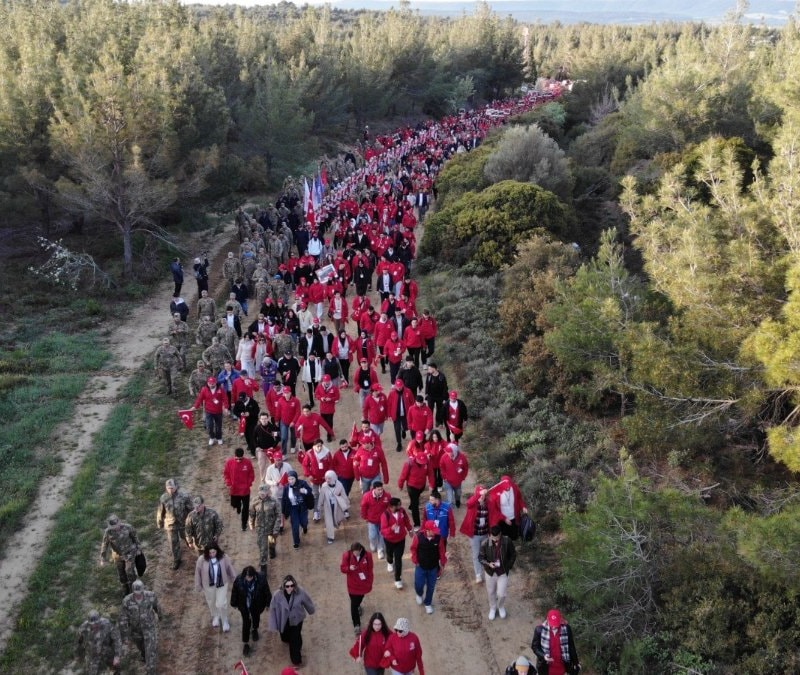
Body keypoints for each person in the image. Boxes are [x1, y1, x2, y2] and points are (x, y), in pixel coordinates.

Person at [268, 574, 316, 667]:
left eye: (292, 585)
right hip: (283, 620)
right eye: (287, 586)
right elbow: (273, 609)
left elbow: (307, 601)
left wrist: (311, 610)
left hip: (297, 619)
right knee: (285, 634)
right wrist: (273, 624)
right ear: (283, 586)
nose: (290, 588)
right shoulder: (277, 595)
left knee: (295, 639)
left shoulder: (300, 592)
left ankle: (296, 661)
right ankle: (287, 639)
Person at [119, 580, 162, 675]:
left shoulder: (151, 596)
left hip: (149, 628)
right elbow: (123, 619)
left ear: (143, 590)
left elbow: (157, 606)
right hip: (135, 631)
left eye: (140, 592)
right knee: (141, 647)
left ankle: (151, 671)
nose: (138, 595)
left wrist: (160, 615)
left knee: (150, 652)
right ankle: (144, 655)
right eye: (136, 593)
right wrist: (125, 636)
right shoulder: (127, 601)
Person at [230, 565, 272, 657]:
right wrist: (234, 603)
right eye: (247, 577)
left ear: (254, 575)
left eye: (251, 577)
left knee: (256, 618)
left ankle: (255, 629)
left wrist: (268, 603)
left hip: (257, 604)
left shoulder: (261, 579)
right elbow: (234, 592)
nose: (249, 579)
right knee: (246, 623)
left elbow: (267, 592)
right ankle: (246, 643)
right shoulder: (239, 580)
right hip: (244, 606)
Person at [194, 541, 237, 632]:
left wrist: (235, 579)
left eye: (214, 552)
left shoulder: (224, 557)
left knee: (221, 603)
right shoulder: (201, 560)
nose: (212, 554)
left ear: (217, 551)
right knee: (211, 602)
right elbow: (197, 573)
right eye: (210, 553)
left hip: (221, 584)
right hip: (208, 586)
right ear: (206, 552)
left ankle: (225, 620)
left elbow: (229, 567)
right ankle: (216, 616)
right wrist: (198, 585)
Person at [479, 525, 517, 620]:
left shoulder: (507, 541)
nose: (495, 540)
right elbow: (480, 558)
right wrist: (488, 564)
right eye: (492, 537)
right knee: (491, 592)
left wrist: (508, 566)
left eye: (496, 538)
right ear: (490, 535)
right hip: (490, 572)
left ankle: (500, 606)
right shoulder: (485, 543)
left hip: (502, 572)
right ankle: (492, 607)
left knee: (501, 593)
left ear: (500, 534)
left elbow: (513, 554)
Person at [100, 514, 142, 596]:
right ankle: (125, 589)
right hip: (117, 556)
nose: (116, 528)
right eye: (114, 526)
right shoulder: (108, 532)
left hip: (129, 553)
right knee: (121, 573)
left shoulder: (128, 527)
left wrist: (138, 549)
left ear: (120, 522)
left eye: (117, 525)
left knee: (129, 571)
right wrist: (103, 558)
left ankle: (133, 590)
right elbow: (104, 545)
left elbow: (135, 538)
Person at [410, 519, 447, 614]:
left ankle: (428, 603)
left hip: (433, 568)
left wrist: (443, 562)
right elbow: (413, 549)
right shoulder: (418, 537)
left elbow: (442, 551)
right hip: (421, 566)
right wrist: (416, 561)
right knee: (419, 584)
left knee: (431, 587)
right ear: (427, 530)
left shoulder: (439, 538)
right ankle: (419, 594)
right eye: (433, 531)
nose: (435, 533)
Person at [156, 478, 193, 570]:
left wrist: (192, 521)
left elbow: (190, 509)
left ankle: (192, 547)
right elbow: (161, 511)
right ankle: (177, 560)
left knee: (187, 537)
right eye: (168, 488)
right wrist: (159, 522)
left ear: (176, 487)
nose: (170, 490)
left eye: (172, 488)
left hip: (183, 523)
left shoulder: (184, 496)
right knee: (173, 543)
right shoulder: (164, 498)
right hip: (170, 525)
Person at [532, 609, 581, 675]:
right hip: (545, 667)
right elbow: (535, 647)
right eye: (552, 624)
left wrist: (576, 662)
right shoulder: (539, 630)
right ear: (547, 619)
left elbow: (571, 647)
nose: (554, 627)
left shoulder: (566, 629)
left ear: (560, 620)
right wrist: (543, 656)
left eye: (556, 624)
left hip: (561, 667)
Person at [340, 541, 374, 634]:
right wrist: (348, 568)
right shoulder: (347, 555)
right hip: (352, 585)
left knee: (359, 599)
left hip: (363, 584)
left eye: (356, 553)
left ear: (360, 549)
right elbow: (342, 568)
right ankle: (357, 625)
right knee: (353, 605)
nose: (355, 555)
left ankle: (358, 606)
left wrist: (370, 582)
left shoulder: (368, 556)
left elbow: (370, 569)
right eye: (353, 553)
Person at [398, 445, 435, 530]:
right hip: (412, 486)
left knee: (415, 499)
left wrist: (431, 485)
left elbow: (431, 474)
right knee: (415, 504)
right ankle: (417, 523)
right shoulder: (409, 463)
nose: (422, 463)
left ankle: (411, 506)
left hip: (421, 486)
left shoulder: (427, 462)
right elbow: (403, 475)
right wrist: (400, 485)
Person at [380, 497, 413, 589]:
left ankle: (398, 579)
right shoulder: (385, 515)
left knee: (398, 559)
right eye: (398, 505)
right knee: (390, 555)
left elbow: (406, 520)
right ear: (392, 507)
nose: (400, 506)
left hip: (401, 539)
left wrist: (410, 529)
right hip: (389, 540)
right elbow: (383, 531)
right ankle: (390, 562)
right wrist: (391, 529)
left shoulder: (402, 511)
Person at [459, 485, 490, 583]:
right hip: (475, 535)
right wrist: (478, 497)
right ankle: (478, 574)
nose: (482, 496)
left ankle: (486, 572)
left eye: (484, 494)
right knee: (476, 555)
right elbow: (468, 503)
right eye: (480, 494)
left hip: (485, 534)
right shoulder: (473, 504)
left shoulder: (488, 504)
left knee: (484, 554)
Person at [76, 609, 122, 675]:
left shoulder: (107, 624)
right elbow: (78, 642)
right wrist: (78, 655)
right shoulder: (83, 628)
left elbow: (117, 639)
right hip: (92, 654)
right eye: (92, 624)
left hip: (106, 651)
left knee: (116, 667)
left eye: (97, 623)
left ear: (99, 620)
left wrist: (117, 656)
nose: (95, 626)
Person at [224, 447, 256, 531]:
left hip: (245, 491)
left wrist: (248, 484)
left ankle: (244, 524)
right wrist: (229, 483)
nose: (238, 460)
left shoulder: (247, 462)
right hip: (234, 490)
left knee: (245, 509)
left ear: (243, 456)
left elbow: (251, 474)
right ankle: (238, 506)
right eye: (237, 459)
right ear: (235, 456)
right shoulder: (229, 462)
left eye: (240, 459)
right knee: (234, 504)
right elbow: (226, 474)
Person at [250, 483, 281, 570]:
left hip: (271, 529)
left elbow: (278, 516)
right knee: (263, 549)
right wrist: (251, 524)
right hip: (260, 529)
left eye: (264, 492)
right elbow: (252, 514)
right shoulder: (255, 501)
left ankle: (272, 549)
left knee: (271, 542)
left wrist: (276, 528)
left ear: (268, 492)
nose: (262, 494)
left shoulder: (274, 501)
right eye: (260, 492)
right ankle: (263, 567)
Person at [488, 474, 529, 541]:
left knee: (513, 536)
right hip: (502, 520)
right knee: (504, 538)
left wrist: (523, 507)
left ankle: (511, 548)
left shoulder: (514, 488)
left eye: (509, 486)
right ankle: (503, 549)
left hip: (514, 517)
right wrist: (504, 518)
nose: (508, 488)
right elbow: (494, 510)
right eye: (505, 487)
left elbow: (519, 499)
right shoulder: (496, 493)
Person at [191, 376, 229, 446]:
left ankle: (219, 437)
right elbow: (199, 399)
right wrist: (195, 406)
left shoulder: (220, 389)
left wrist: (226, 407)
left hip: (218, 411)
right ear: (207, 383)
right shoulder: (204, 390)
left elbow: (225, 399)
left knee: (218, 426)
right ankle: (212, 437)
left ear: (216, 383)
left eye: (213, 383)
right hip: (209, 412)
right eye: (210, 383)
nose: (211, 384)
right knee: (209, 426)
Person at [281, 470, 314, 549]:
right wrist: (284, 511)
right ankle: (296, 542)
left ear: (296, 478)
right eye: (289, 479)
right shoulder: (286, 487)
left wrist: (305, 491)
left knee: (304, 521)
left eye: (292, 479)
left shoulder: (302, 483)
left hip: (303, 506)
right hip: (293, 508)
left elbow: (310, 491)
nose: (291, 481)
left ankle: (304, 527)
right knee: (295, 525)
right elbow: (284, 499)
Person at [360, 481, 392, 559]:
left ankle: (380, 550)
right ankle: (373, 543)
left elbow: (390, 508)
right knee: (373, 535)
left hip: (383, 521)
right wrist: (365, 517)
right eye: (379, 489)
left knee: (382, 536)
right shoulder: (367, 496)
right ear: (374, 489)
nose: (381, 491)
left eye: (381, 489)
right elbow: (363, 507)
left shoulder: (387, 496)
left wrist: (389, 518)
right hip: (371, 520)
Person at [319, 469, 350, 543]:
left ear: (333, 477)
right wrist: (319, 507)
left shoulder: (339, 485)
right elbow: (321, 497)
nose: (327, 480)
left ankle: (336, 522)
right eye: (326, 478)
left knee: (337, 518)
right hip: (327, 505)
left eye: (329, 478)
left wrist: (346, 507)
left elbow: (344, 495)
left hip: (337, 504)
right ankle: (330, 537)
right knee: (329, 521)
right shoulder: (324, 486)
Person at [387, 378, 415, 453]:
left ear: (403, 385)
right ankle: (399, 443)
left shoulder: (408, 391)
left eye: (400, 386)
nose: (399, 388)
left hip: (406, 414)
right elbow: (389, 404)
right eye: (397, 386)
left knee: (406, 427)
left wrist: (413, 413)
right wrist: (389, 415)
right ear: (395, 386)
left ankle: (404, 430)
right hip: (396, 415)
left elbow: (412, 402)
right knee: (397, 429)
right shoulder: (392, 393)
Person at [439, 442, 469, 508]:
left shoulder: (462, 458)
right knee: (449, 499)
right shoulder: (444, 457)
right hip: (448, 481)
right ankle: (450, 512)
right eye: (447, 452)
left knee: (458, 494)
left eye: (450, 452)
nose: (448, 453)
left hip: (458, 481)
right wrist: (444, 477)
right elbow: (441, 467)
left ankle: (457, 501)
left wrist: (463, 477)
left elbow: (466, 468)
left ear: (454, 451)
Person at [254, 411, 281, 482]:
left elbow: (278, 438)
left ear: (268, 418)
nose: (264, 420)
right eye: (262, 419)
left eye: (265, 418)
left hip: (271, 449)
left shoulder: (272, 427)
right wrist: (257, 447)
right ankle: (263, 479)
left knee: (271, 465)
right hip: (261, 450)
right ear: (260, 419)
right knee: (261, 465)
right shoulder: (257, 428)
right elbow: (253, 438)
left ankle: (271, 478)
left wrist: (273, 446)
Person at [233, 391, 260, 456]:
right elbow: (235, 411)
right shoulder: (238, 402)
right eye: (240, 399)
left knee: (252, 435)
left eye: (243, 399)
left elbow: (257, 411)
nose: (242, 400)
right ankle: (250, 445)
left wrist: (250, 414)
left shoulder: (253, 402)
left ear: (246, 396)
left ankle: (253, 452)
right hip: (243, 422)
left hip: (252, 422)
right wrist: (240, 414)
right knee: (246, 435)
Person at [424, 362, 448, 426]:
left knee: (439, 409)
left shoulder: (442, 376)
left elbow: (445, 388)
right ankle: (430, 423)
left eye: (429, 369)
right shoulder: (429, 375)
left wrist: (444, 398)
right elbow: (427, 385)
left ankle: (438, 421)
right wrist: (426, 394)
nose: (428, 370)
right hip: (431, 396)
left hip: (439, 396)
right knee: (430, 410)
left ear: (434, 369)